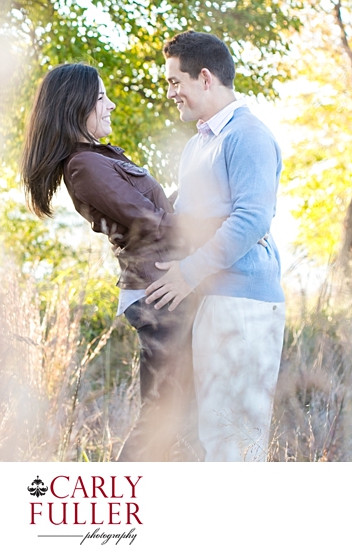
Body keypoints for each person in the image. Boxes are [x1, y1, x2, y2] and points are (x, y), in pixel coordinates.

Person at [20, 62, 210, 462]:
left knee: (178, 413)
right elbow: (152, 225)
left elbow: (152, 212)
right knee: (163, 414)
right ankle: (122, 498)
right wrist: (227, 224)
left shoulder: (97, 159)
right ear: (78, 106)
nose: (110, 105)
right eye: (102, 97)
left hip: (161, 290)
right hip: (157, 293)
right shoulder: (85, 165)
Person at [145, 30, 286, 462]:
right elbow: (183, 221)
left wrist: (187, 274)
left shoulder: (247, 136)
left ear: (204, 78)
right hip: (211, 300)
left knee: (236, 443)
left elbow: (251, 220)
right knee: (214, 437)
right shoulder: (197, 145)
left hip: (243, 305)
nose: (172, 93)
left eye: (175, 82)